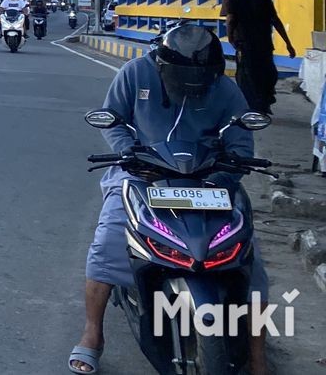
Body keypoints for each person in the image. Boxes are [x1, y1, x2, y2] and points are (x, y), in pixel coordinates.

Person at [69, 24, 268, 375]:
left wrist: (226, 174)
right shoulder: (136, 73)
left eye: (200, 77)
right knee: (109, 241)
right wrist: (129, 153)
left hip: (207, 181)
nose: (190, 85)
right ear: (160, 66)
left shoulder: (225, 89)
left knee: (249, 259)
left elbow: (240, 143)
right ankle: (92, 334)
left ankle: (257, 358)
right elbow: (112, 120)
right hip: (142, 173)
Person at [220, 0, 297, 115]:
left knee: (246, 77)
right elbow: (276, 21)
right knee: (267, 73)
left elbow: (231, 20)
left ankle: (250, 107)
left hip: (244, 45)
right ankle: (265, 101)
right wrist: (288, 43)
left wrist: (230, 39)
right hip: (264, 45)